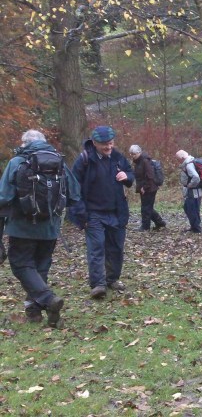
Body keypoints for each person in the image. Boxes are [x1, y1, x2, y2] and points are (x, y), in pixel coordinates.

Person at [0, 130, 80, 326]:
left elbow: (3, 197)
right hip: (51, 228)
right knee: (40, 267)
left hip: (22, 227)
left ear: (24, 143)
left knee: (21, 265)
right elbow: (74, 193)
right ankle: (34, 312)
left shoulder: (18, 162)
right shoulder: (58, 161)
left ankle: (47, 300)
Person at [69, 125, 135, 299]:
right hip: (93, 213)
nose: (109, 147)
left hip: (117, 212)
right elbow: (74, 189)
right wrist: (81, 215)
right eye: (104, 144)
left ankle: (112, 279)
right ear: (94, 143)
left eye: (111, 143)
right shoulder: (84, 160)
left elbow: (130, 173)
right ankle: (98, 284)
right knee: (97, 248)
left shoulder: (117, 157)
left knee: (116, 248)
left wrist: (127, 177)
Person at [128, 145, 166, 231]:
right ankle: (160, 222)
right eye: (131, 154)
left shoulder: (145, 161)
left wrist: (144, 187)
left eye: (134, 154)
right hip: (145, 188)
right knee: (148, 207)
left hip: (150, 188)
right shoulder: (138, 161)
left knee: (145, 208)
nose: (132, 156)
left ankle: (145, 227)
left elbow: (150, 176)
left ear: (139, 152)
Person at [175, 150, 202, 234]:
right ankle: (194, 227)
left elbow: (196, 177)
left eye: (178, 159)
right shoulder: (192, 161)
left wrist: (190, 185)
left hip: (194, 191)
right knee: (190, 208)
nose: (177, 161)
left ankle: (196, 229)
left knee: (191, 209)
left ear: (182, 157)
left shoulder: (189, 164)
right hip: (196, 191)